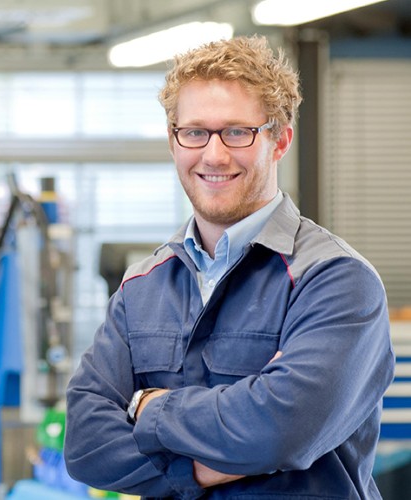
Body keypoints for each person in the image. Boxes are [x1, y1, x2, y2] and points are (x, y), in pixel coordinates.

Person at [64, 35, 395, 499]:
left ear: (280, 139)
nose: (214, 155)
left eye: (237, 132)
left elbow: (281, 430)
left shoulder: (335, 281)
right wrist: (212, 459)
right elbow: (85, 447)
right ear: (173, 140)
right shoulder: (142, 286)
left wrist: (147, 406)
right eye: (195, 132)